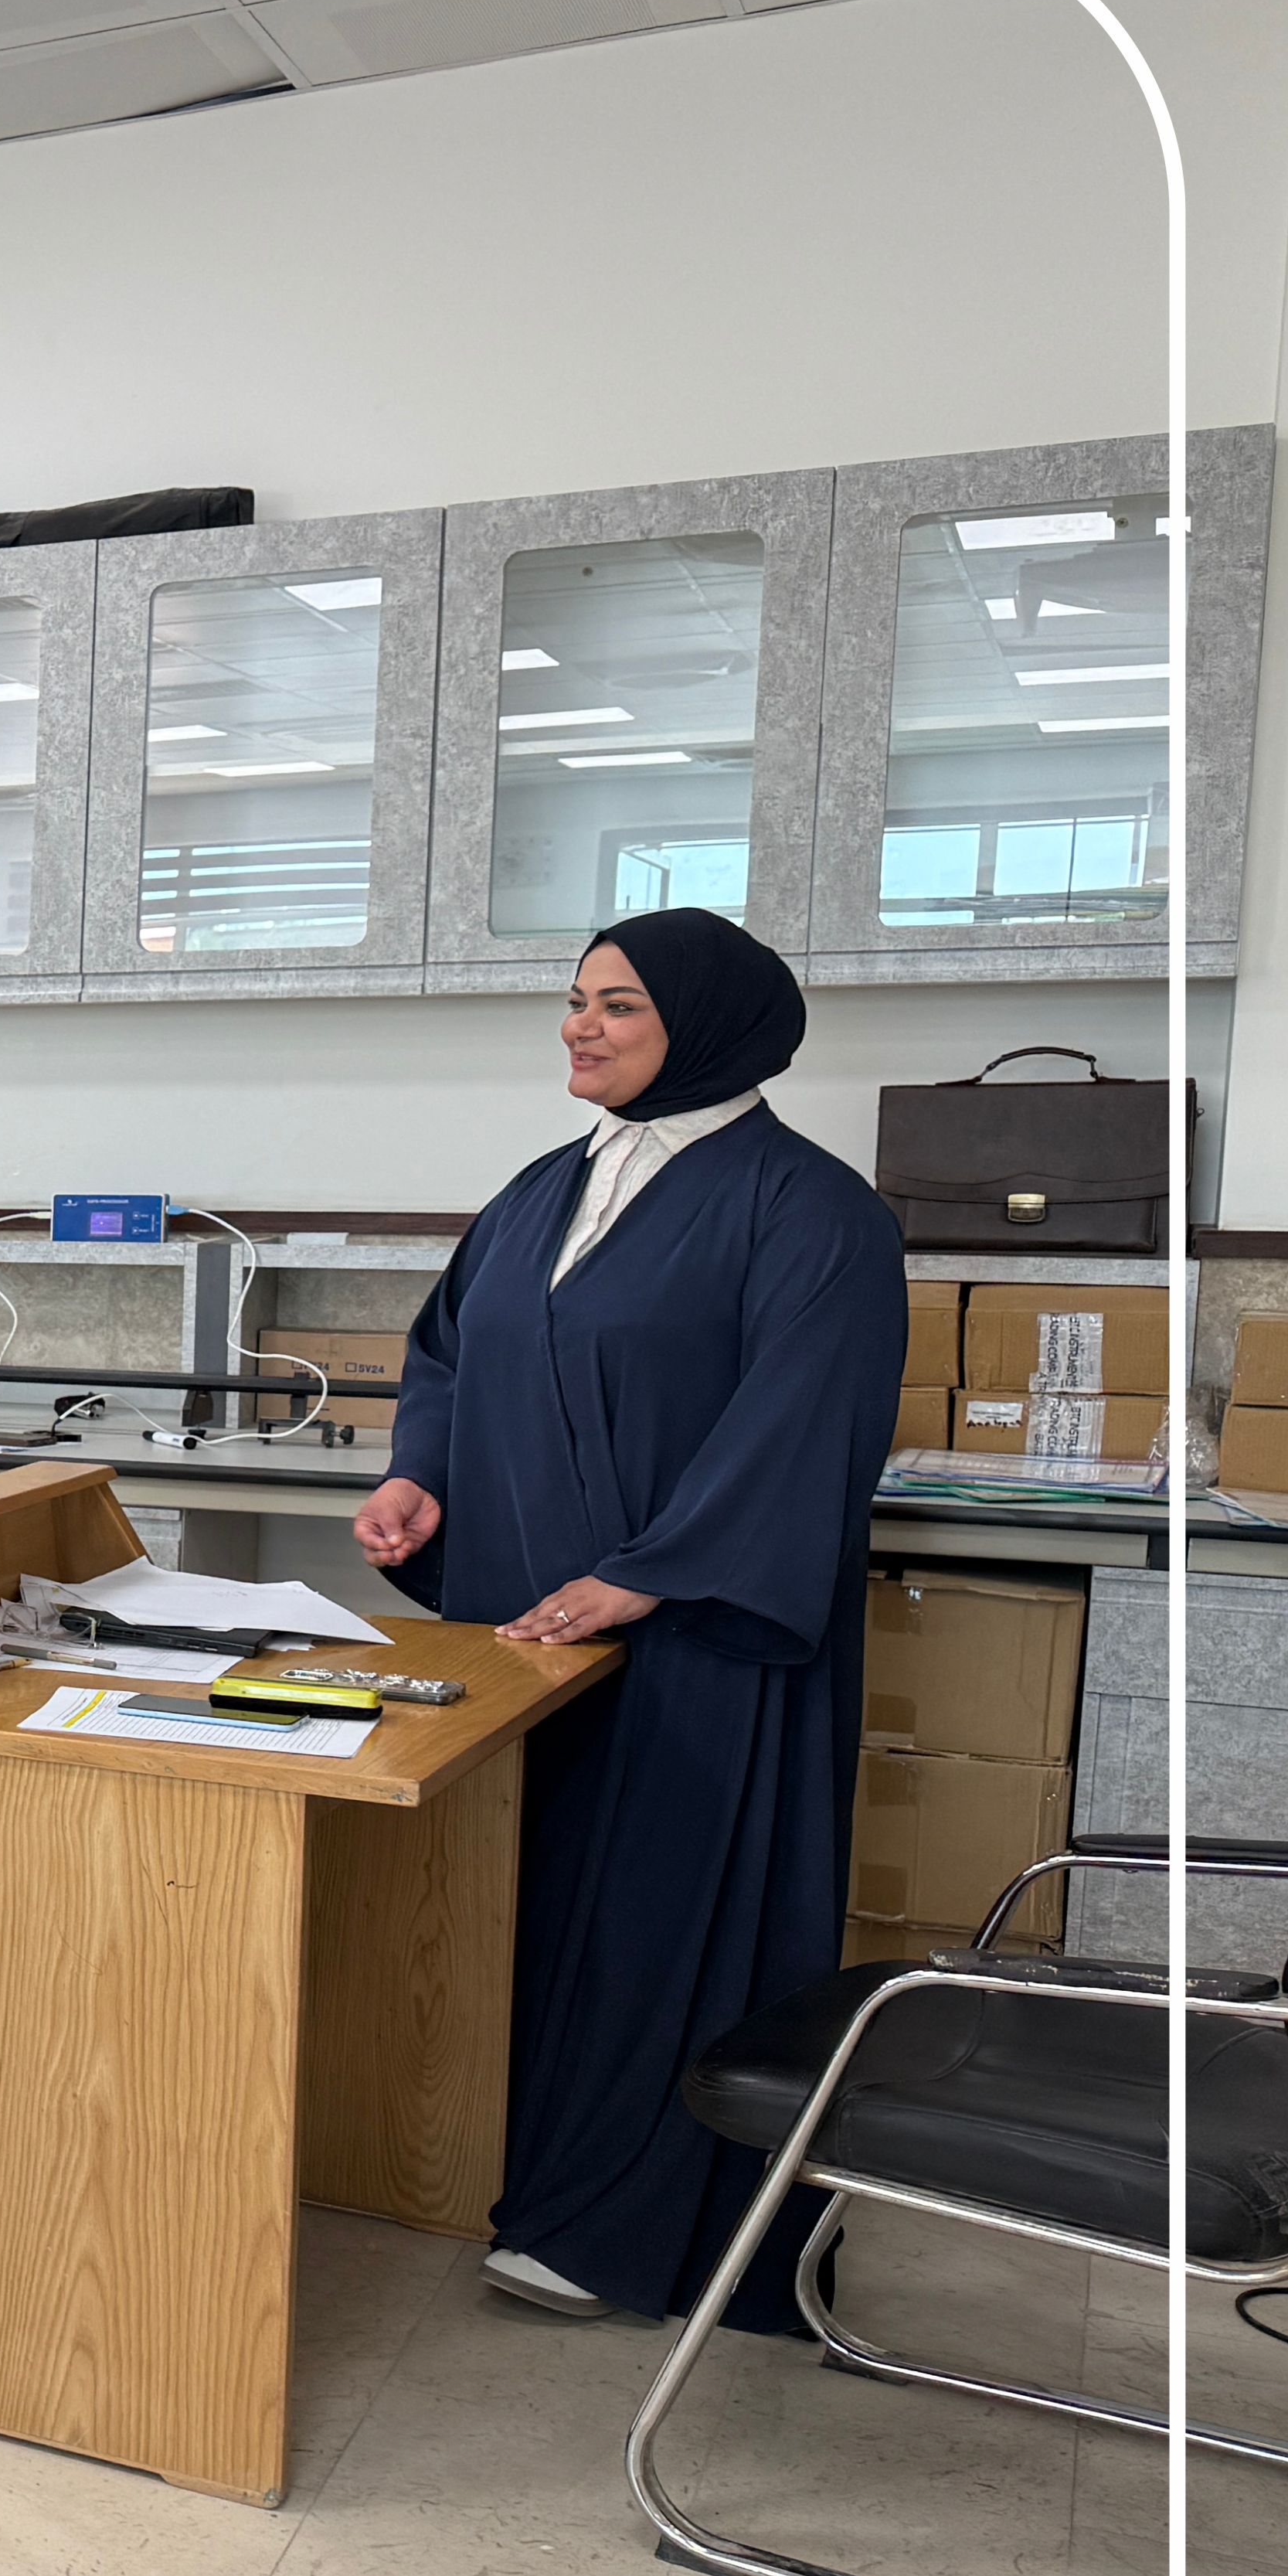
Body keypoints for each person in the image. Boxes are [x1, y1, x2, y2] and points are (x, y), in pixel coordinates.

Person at [352, 911, 907, 2329]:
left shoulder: (810, 1211)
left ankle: (628, 2227)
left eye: (616, 1005)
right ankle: (498, 2167)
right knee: (518, 1903)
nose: (577, 1027)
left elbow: (805, 1421)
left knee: (658, 1921)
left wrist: (653, 1570)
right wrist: (419, 1475)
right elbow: (449, 1354)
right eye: (574, 999)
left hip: (695, 1641)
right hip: (523, 1631)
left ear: (707, 1025)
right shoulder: (542, 1187)